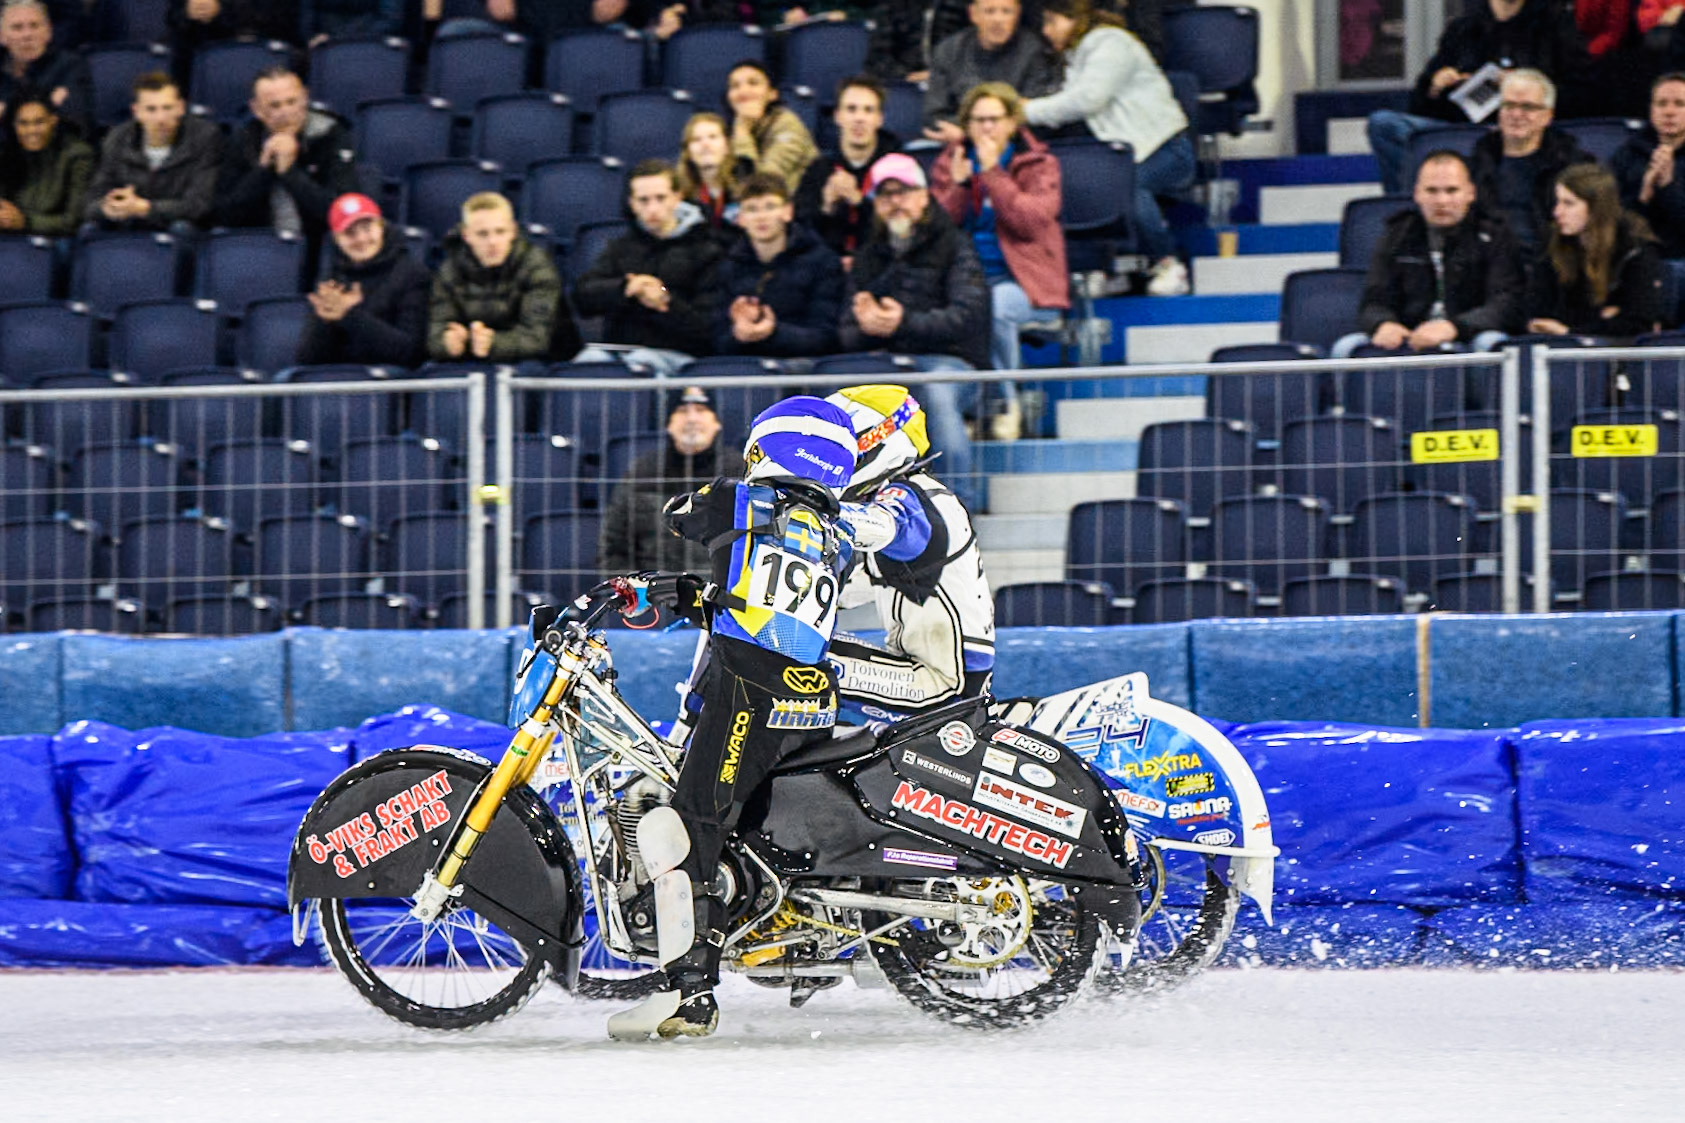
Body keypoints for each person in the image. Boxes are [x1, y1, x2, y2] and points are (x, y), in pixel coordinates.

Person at [606, 395, 862, 1040]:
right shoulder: (841, 537)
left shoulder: (734, 499)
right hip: (810, 700)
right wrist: (702, 594)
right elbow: (762, 600)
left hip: (746, 695)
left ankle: (688, 995)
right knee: (742, 832)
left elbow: (677, 515)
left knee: (684, 827)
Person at [824, 384, 996, 721]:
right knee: (781, 648)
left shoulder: (912, 498)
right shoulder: (914, 497)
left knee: (784, 659)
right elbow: (839, 591)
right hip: (932, 674)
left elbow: (880, 524)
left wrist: (799, 510)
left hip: (944, 685)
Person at [838, 153, 990, 508]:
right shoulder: (867, 255)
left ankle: (959, 506)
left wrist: (903, 322)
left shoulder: (954, 244)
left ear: (924, 196)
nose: (896, 203)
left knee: (935, 392)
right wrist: (865, 326)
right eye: (886, 195)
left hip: (952, 364)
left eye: (903, 192)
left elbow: (968, 316)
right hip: (886, 364)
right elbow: (844, 332)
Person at [1024, 0, 1192, 296]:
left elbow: (1089, 99)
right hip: (1126, 156)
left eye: (1052, 22)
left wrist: (1025, 111)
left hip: (1167, 150)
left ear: (1073, 19)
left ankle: (1168, 263)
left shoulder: (1111, 43)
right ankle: (1114, 267)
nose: (1046, 31)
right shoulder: (1077, 55)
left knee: (1128, 189)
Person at [1365, 0, 1597, 196]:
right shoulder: (1463, 29)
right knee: (1384, 125)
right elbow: (1419, 106)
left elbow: (1585, 94)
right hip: (1466, 131)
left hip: (1529, 133)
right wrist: (1434, 85)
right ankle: (1410, 214)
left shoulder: (1556, 25)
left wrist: (1529, 87)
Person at [931, 80, 1067, 383]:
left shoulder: (1039, 165)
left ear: (1012, 123)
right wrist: (959, 187)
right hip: (962, 280)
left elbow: (1030, 222)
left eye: (995, 119)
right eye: (978, 120)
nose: (986, 128)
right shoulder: (951, 162)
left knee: (995, 308)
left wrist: (993, 172)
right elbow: (935, 230)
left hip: (1023, 283)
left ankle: (1006, 402)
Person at [1334, 150, 1523, 358]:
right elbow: (1374, 300)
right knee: (1347, 347)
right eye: (1432, 191)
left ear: (1471, 193)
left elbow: (1507, 303)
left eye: (1452, 191)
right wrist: (1384, 324)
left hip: (1471, 334)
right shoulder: (1396, 234)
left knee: (1492, 343)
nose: (1441, 201)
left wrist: (1455, 327)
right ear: (1417, 194)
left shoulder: (1495, 234)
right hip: (1409, 334)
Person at [573, 159, 725, 375]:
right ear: (632, 204)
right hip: (621, 351)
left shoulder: (706, 250)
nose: (652, 208)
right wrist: (626, 288)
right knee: (588, 362)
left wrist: (664, 299)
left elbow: (709, 327)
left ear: (677, 197)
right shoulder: (621, 248)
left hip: (678, 355)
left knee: (641, 364)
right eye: (643, 200)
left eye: (660, 198)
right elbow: (583, 296)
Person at [598, 385, 745, 576]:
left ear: (716, 423)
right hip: (655, 595)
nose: (692, 419)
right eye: (682, 411)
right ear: (669, 423)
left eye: (701, 411)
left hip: (721, 594)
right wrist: (639, 592)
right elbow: (612, 548)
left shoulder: (739, 471)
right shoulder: (642, 472)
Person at [216, 67, 360, 251]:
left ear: (305, 98)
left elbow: (343, 212)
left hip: (319, 246)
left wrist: (290, 173)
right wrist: (264, 170)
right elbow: (224, 214)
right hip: (256, 247)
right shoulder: (244, 140)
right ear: (256, 109)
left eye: (292, 102)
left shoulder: (330, 134)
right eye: (275, 105)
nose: (286, 112)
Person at [428, 191, 577, 363]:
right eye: (482, 234)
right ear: (466, 235)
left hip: (534, 361)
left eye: (500, 232)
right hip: (471, 358)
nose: (492, 242)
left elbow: (538, 338)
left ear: (513, 231)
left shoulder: (537, 266)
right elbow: (436, 333)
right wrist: (447, 343)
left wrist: (494, 343)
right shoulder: (449, 270)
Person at [1469, 69, 1594, 270]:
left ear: (1548, 116)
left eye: (1528, 107)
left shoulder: (1575, 166)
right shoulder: (1476, 165)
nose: (1516, 114)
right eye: (1508, 105)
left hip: (1554, 268)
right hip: (1489, 270)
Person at [1527, 163, 1668, 340]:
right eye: (1557, 202)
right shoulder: (1553, 241)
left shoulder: (1635, 248)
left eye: (1568, 204)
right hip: (1558, 352)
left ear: (1596, 208)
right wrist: (1602, 318)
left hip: (1619, 356)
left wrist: (1568, 331)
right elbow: (1537, 311)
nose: (1557, 212)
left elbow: (1638, 323)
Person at [713, 172, 844, 357]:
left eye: (770, 206)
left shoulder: (821, 261)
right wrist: (738, 334)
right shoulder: (729, 266)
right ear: (740, 219)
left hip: (803, 367)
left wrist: (775, 332)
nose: (761, 217)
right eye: (751, 209)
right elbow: (715, 339)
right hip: (745, 367)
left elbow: (827, 337)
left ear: (787, 212)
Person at [298, 193, 432, 367]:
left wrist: (349, 316)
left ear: (381, 227)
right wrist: (323, 321)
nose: (361, 239)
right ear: (337, 240)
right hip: (342, 380)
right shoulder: (332, 280)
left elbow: (410, 352)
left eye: (367, 228)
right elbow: (307, 359)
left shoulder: (412, 274)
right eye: (350, 233)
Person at [84, 71, 223, 233]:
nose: (161, 118)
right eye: (151, 109)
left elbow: (200, 204)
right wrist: (109, 206)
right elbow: (91, 203)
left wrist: (146, 208)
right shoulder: (117, 139)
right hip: (130, 225)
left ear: (181, 108)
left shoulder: (204, 137)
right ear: (136, 112)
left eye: (167, 108)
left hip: (179, 228)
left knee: (181, 229)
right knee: (90, 230)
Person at [794, 75, 902, 260]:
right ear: (838, 116)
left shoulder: (898, 168)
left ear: (880, 119)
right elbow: (799, 236)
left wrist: (859, 202)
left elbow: (903, 234)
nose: (859, 118)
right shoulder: (819, 169)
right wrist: (826, 209)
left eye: (868, 110)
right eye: (851, 109)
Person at [922, 0, 1057, 144]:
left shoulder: (1034, 52)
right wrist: (970, 133)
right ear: (973, 14)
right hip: (957, 142)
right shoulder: (948, 51)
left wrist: (971, 131)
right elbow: (934, 115)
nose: (998, 20)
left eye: (1006, 12)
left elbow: (1030, 112)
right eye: (989, 11)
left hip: (1015, 143)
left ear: (1017, 14)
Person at [0, 88, 92, 235]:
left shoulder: (77, 155)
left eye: (39, 122)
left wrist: (25, 222)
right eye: (23, 123)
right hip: (12, 241)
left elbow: (73, 220)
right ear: (14, 126)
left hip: (58, 243)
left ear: (53, 120)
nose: (31, 131)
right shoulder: (6, 153)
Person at [1614, 72, 1685, 259]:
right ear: (1651, 110)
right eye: (1661, 104)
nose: (1669, 111)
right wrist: (1644, 195)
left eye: (1679, 104)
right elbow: (1611, 220)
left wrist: (1668, 187)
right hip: (1637, 259)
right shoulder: (1627, 154)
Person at [0, 0, 91, 135]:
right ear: (2, 36)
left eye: (34, 26)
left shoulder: (71, 66)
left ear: (49, 32)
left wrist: (5, 110)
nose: (27, 35)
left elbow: (73, 122)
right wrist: (49, 104)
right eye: (17, 27)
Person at [725, 60, 817, 193]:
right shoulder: (726, 129)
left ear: (772, 94)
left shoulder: (788, 124)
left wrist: (742, 131)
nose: (743, 91)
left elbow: (763, 187)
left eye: (753, 83)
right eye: (735, 86)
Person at [674, 111, 738, 238]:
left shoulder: (744, 185)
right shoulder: (679, 196)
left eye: (713, 137)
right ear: (688, 152)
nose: (705, 144)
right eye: (696, 139)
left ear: (727, 146)